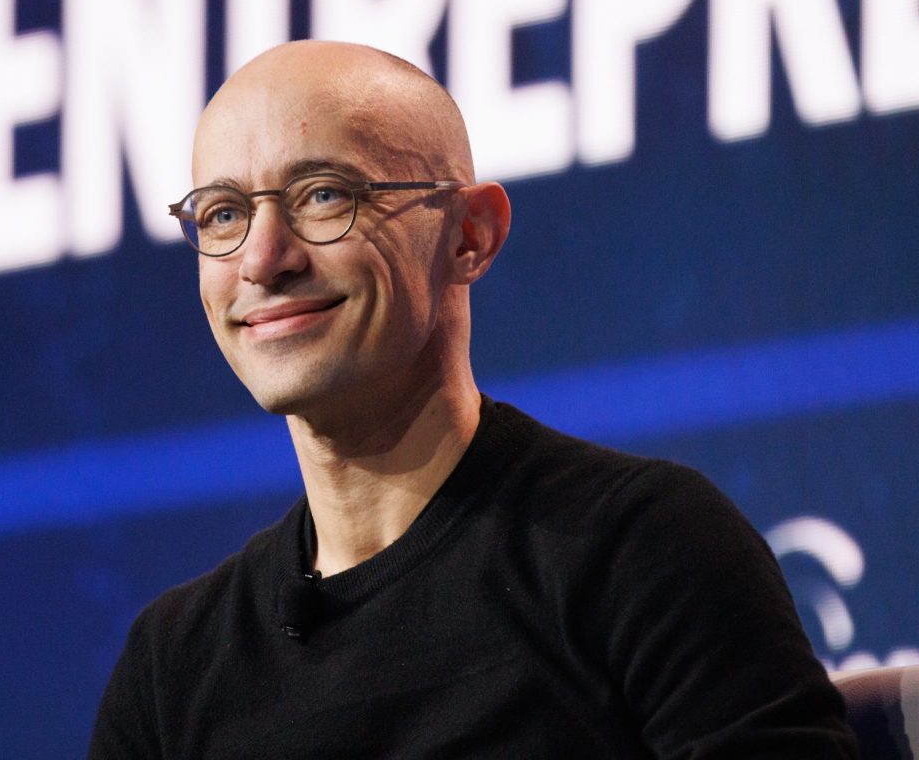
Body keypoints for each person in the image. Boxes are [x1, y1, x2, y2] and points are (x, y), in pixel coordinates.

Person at [87, 40, 857, 758]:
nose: (261, 259)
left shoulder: (641, 549)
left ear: (470, 235)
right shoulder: (173, 663)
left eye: (323, 196)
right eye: (223, 214)